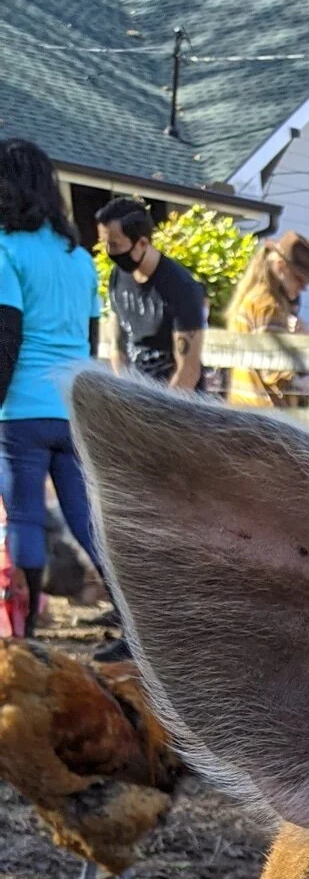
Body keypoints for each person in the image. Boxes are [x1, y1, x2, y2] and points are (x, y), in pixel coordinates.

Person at [0, 137, 109, 636]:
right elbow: (89, 341)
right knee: (88, 522)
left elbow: (7, 335)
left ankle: (26, 631)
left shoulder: (5, 248)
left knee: (23, 516)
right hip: (73, 409)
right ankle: (136, 628)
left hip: (21, 408)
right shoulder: (80, 258)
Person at [225, 231, 309, 410]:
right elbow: (275, 370)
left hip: (245, 410)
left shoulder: (253, 298)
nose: (303, 287)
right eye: (299, 278)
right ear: (280, 267)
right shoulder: (267, 305)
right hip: (264, 417)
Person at [98, 197, 206, 391]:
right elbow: (118, 346)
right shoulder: (118, 276)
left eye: (114, 245)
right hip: (134, 399)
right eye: (105, 243)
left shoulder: (181, 287)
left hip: (175, 408)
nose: (109, 251)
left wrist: (158, 415)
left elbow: (188, 371)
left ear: (141, 243)